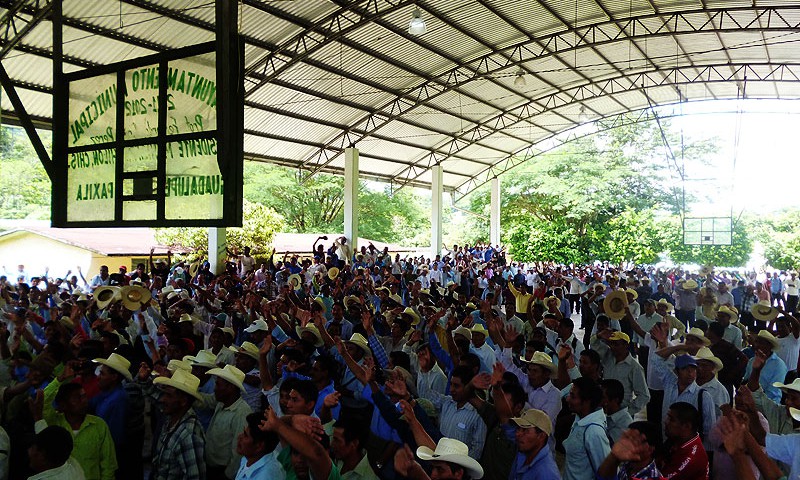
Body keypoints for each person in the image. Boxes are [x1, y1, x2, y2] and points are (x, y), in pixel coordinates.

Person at [33, 383, 117, 480]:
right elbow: (45, 402)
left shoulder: (99, 425)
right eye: (77, 398)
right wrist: (58, 381)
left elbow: (108, 465)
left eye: (84, 396)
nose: (84, 401)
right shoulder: (54, 424)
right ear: (63, 405)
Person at [151, 370, 207, 480]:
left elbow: (195, 477)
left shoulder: (189, 435)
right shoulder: (171, 418)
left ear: (183, 401)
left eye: (169, 395)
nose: (163, 399)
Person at [562, 377, 611, 480]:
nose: (568, 399)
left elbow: (606, 472)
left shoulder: (594, 432)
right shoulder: (580, 418)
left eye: (573, 396)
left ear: (586, 402)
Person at [596, 422, 664, 480]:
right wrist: (613, 457)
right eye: (627, 438)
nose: (627, 444)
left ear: (650, 449)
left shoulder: (653, 477)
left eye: (634, 440)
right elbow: (602, 477)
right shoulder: (628, 465)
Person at [659, 402, 709, 480]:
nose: (666, 422)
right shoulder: (676, 440)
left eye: (671, 419)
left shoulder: (691, 457)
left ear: (686, 426)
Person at [509, 409, 560, 480]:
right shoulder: (523, 453)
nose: (518, 434)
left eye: (525, 430)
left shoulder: (547, 474)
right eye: (518, 428)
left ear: (541, 436)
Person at [234, 413, 283, 480]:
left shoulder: (266, 476)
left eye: (245, 435)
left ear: (259, 446)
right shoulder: (248, 458)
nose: (239, 437)